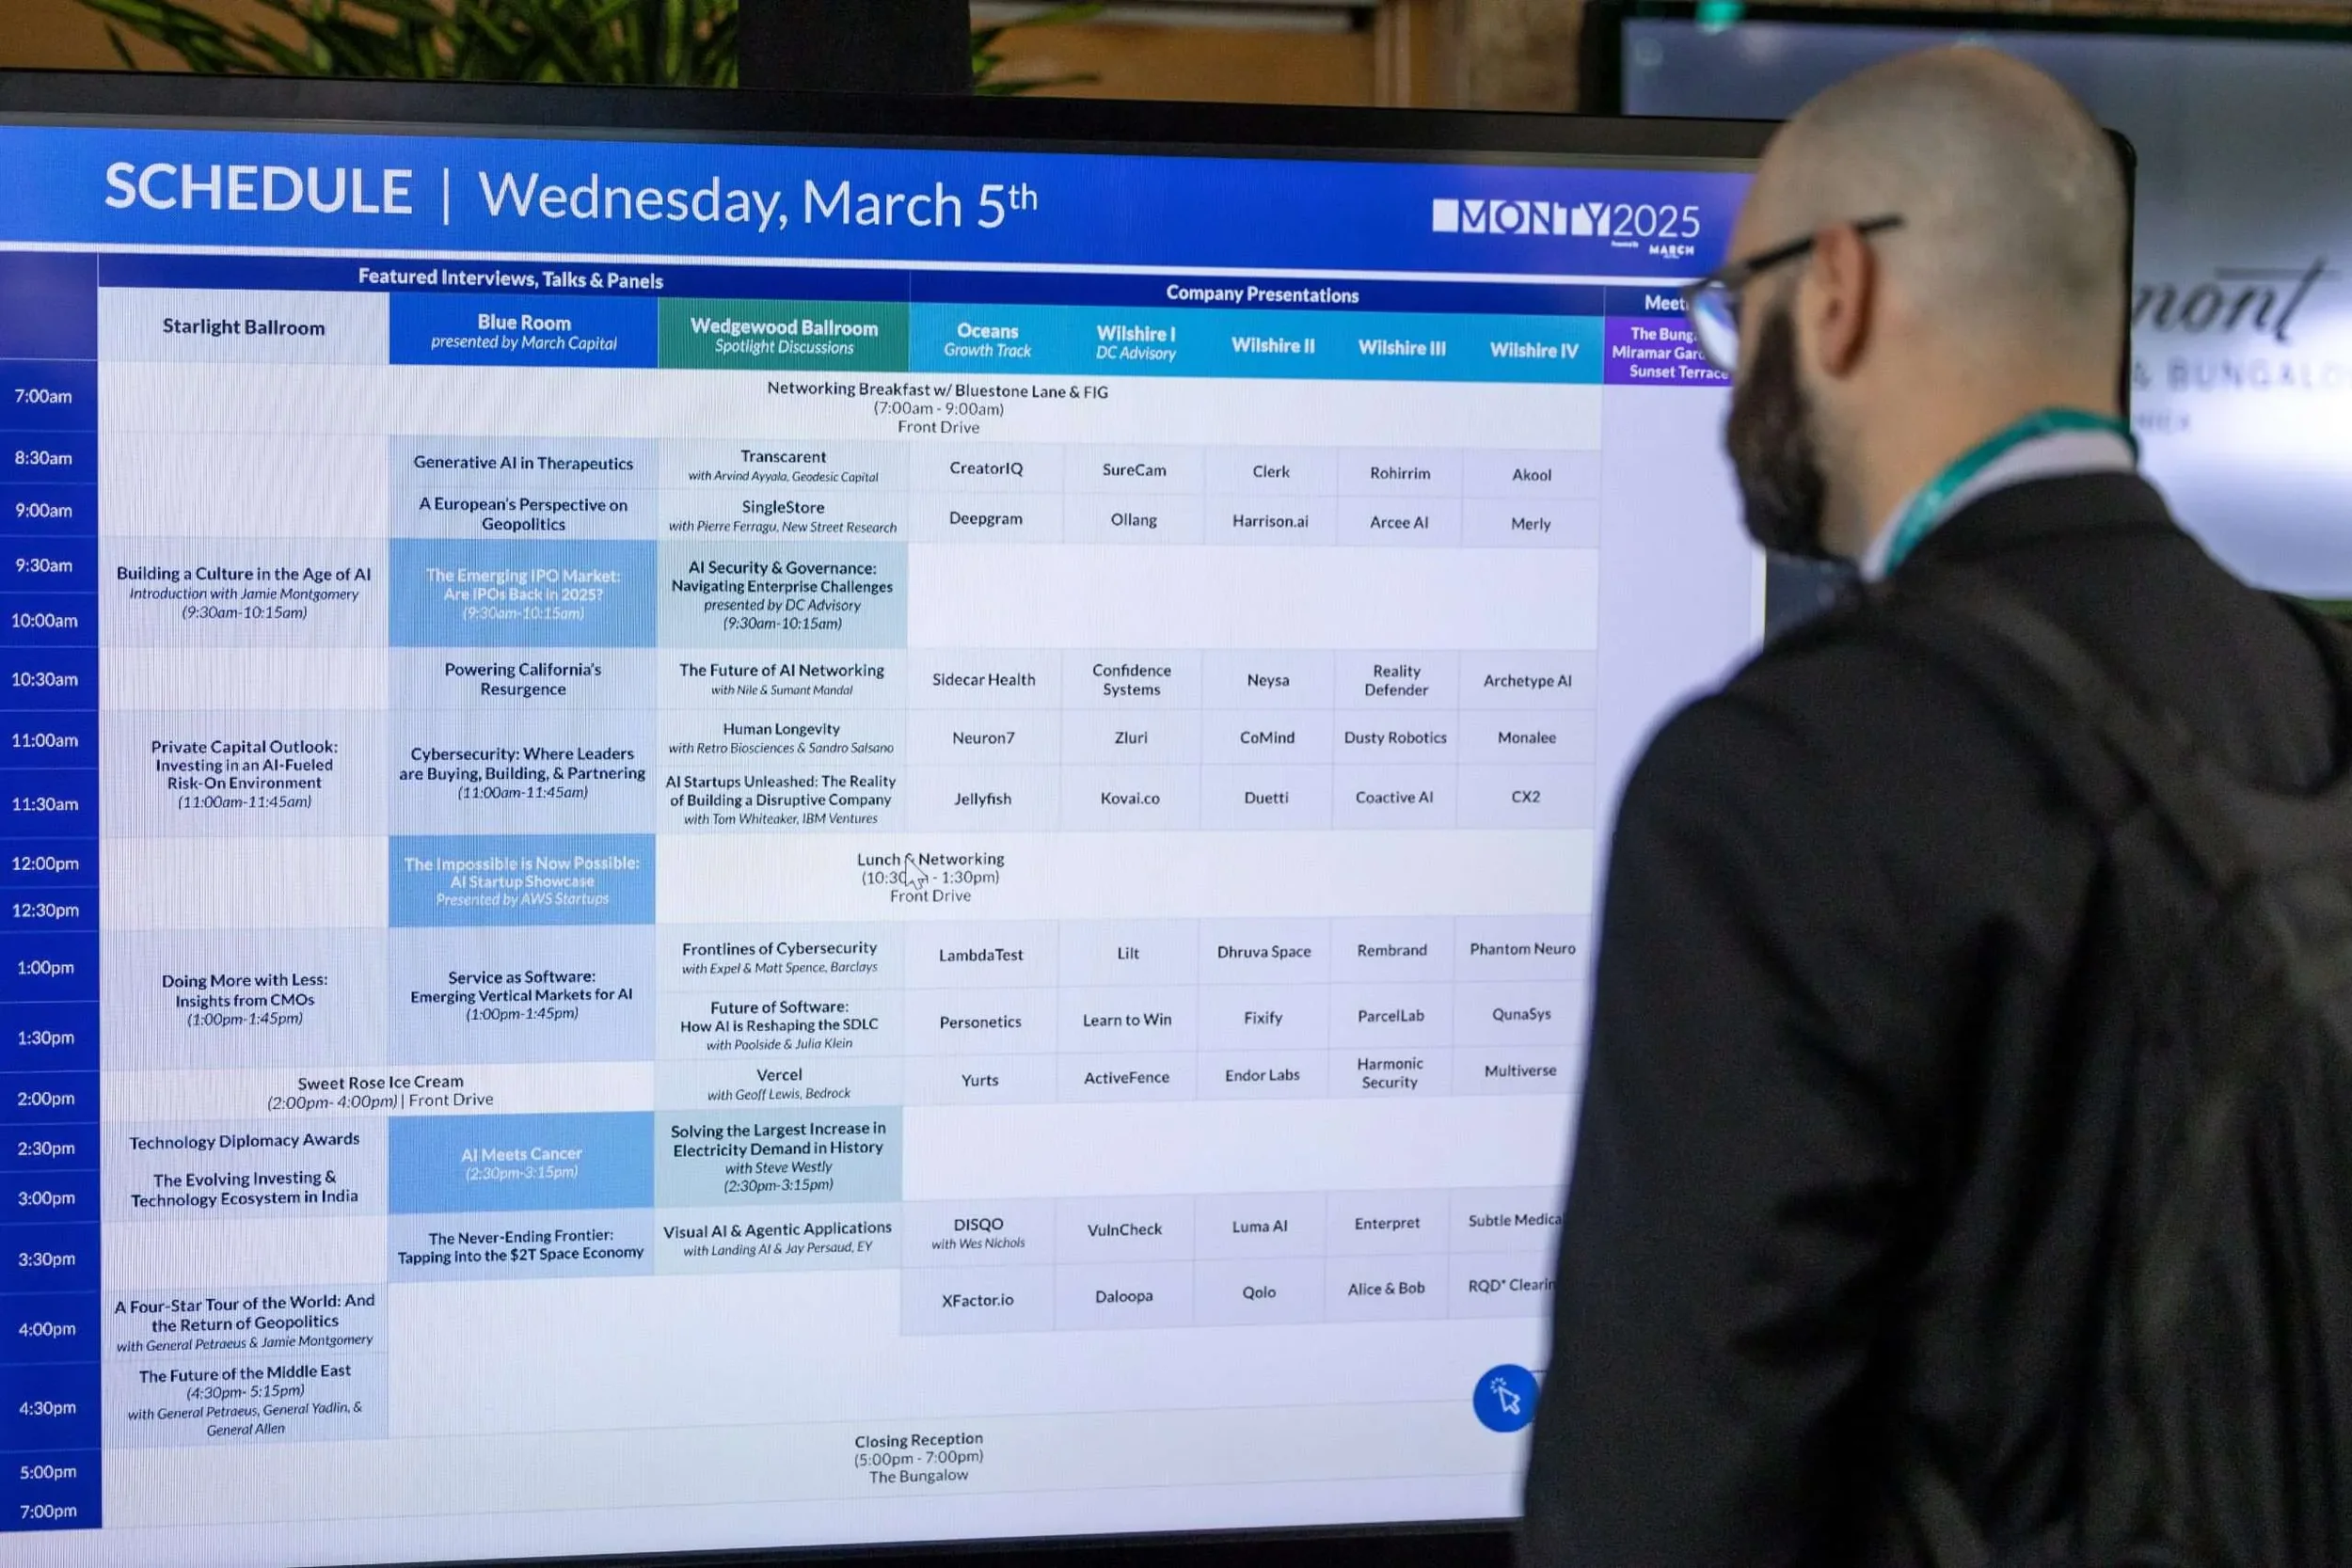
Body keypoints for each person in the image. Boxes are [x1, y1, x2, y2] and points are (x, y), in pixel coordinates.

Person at [1518, 47, 2342, 1567]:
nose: (1733, 363)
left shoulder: (1775, 775)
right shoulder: (2313, 685)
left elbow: (1673, 1476)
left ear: (1834, 289)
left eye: (1736, 307)